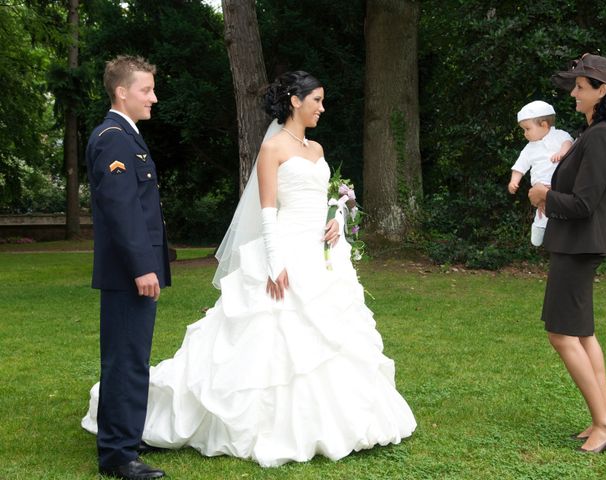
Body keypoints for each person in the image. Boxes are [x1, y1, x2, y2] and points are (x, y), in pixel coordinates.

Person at [82, 70, 416, 467]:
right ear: (295, 100)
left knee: (334, 339)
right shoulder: (272, 149)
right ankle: (123, 444)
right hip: (283, 253)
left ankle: (126, 435)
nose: (322, 108)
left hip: (321, 259)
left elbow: (325, 200)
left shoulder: (317, 149)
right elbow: (268, 211)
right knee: (264, 341)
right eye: (317, 101)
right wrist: (276, 264)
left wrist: (339, 218)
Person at [528, 53, 606, 453]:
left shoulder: (603, 136)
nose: (573, 93)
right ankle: (602, 419)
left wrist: (544, 196)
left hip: (579, 244)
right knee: (582, 333)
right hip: (578, 243)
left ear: (601, 90)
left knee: (561, 334)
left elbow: (584, 203)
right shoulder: (595, 133)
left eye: (580, 86)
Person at [85, 55, 171, 479]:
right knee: (126, 360)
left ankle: (124, 438)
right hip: (128, 272)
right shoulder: (115, 137)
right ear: (122, 92)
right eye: (146, 90)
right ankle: (119, 455)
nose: (153, 98)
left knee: (130, 357)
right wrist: (143, 266)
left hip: (131, 269)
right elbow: (121, 208)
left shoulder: (126, 136)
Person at [508, 100, 573, 246]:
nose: (525, 133)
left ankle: (562, 235)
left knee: (560, 211)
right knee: (542, 210)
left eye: (527, 129)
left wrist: (562, 152)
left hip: (559, 185)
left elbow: (568, 143)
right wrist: (514, 180)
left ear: (544, 125)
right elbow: (520, 165)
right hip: (540, 186)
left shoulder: (559, 135)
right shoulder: (530, 148)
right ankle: (539, 227)